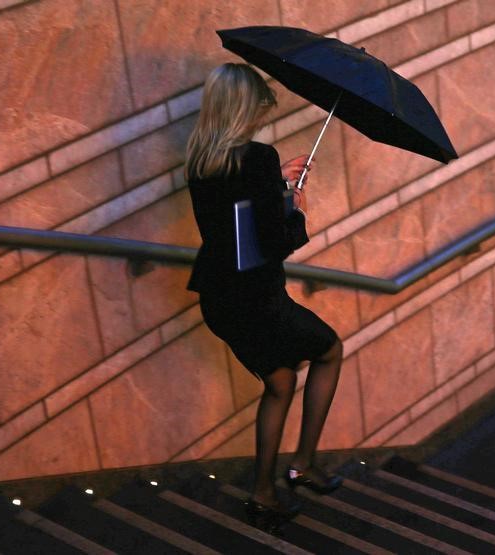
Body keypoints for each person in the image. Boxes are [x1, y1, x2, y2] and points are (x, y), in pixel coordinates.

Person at [185, 63, 344, 526]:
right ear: (243, 109)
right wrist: (296, 209)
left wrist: (276, 184)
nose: (260, 119)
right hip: (257, 298)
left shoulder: (201, 158)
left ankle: (263, 490)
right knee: (330, 350)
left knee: (280, 381)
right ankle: (303, 465)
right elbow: (272, 241)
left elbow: (237, 216)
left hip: (220, 296)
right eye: (258, 110)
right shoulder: (256, 157)